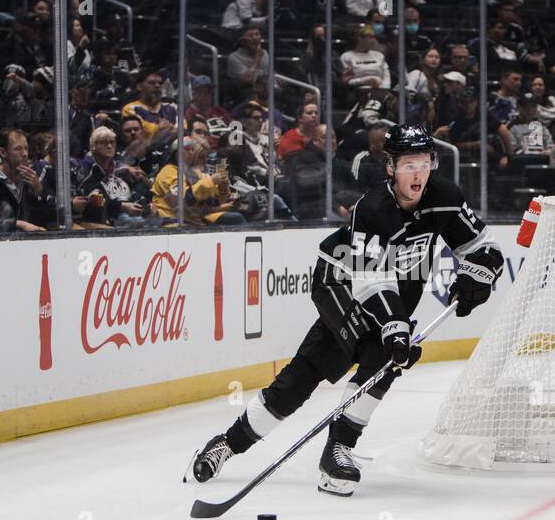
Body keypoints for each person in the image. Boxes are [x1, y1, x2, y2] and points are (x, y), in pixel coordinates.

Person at [188, 125, 504, 497]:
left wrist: (479, 276)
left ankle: (337, 450)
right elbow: (371, 281)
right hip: (340, 284)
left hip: (394, 292)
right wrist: (396, 328)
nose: (418, 173)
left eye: (424, 162)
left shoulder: (444, 196)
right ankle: (229, 443)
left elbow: (483, 246)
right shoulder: (372, 210)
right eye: (408, 164)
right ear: (390, 167)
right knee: (308, 373)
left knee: (388, 359)